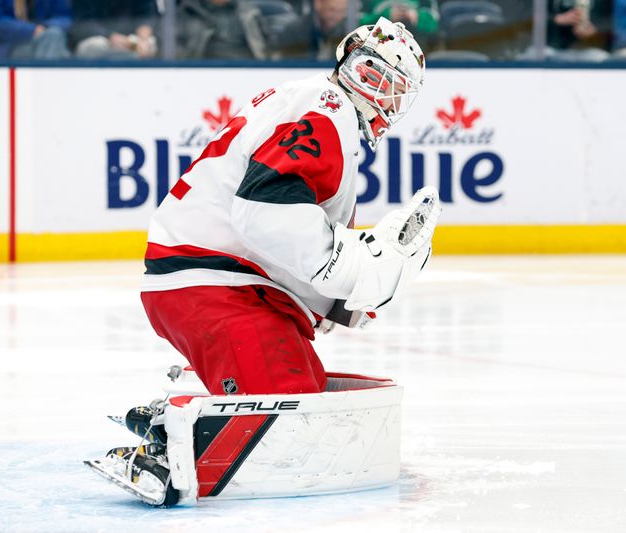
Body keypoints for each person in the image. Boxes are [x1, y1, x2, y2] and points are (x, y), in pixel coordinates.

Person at [140, 17, 435, 397]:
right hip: (217, 286)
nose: (391, 98)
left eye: (398, 90)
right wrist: (354, 268)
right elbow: (265, 211)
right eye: (385, 82)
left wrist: (351, 298)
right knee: (289, 415)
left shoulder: (311, 101)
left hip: (226, 284)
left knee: (310, 394)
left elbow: (276, 226)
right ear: (358, 71)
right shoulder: (327, 110)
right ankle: (178, 437)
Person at [176, 0, 267, 60]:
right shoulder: (185, 13)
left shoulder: (249, 11)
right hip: (200, 76)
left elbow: (268, 49)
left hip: (249, 75)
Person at [68, 0, 159, 59]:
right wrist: (111, 37)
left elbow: (146, 16)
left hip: (131, 40)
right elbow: (83, 24)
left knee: (151, 44)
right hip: (98, 39)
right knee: (94, 46)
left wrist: (143, 40)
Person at [0, 0, 71, 59]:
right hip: (12, 46)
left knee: (55, 38)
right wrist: (32, 29)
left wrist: (44, 27)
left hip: (48, 36)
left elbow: (65, 18)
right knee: (57, 47)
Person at [273, 0, 349, 60]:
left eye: (342, 11)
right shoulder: (294, 31)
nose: (337, 16)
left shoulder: (347, 31)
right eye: (332, 10)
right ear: (318, 4)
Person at [360, 0, 439, 37]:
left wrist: (418, 16)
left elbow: (436, 24)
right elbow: (357, 23)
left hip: (416, 45)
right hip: (375, 44)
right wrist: (385, 16)